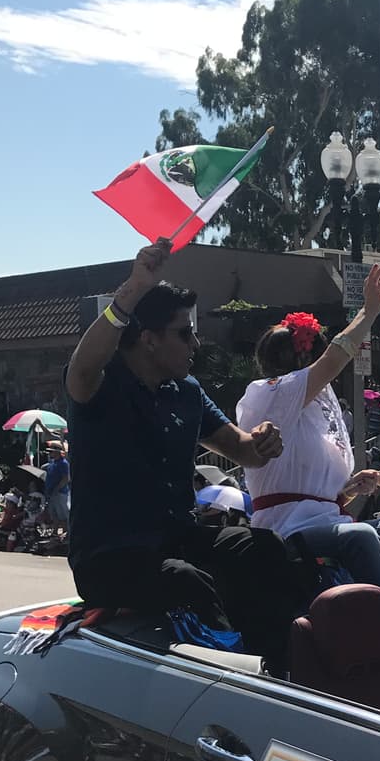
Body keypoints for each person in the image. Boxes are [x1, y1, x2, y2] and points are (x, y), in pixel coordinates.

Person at [64, 237, 303, 662]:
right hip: (109, 555)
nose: (195, 345)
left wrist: (265, 440)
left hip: (174, 538)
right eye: (184, 333)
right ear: (149, 339)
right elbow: (82, 365)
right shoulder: (101, 383)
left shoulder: (187, 392)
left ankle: (288, 665)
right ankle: (236, 674)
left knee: (263, 548)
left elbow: (243, 450)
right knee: (184, 580)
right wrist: (134, 287)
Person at [236, 267, 380, 670]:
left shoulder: (312, 408)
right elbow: (335, 358)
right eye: (310, 356)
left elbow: (321, 494)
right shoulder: (269, 395)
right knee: (363, 536)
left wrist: (351, 487)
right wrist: (368, 313)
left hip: (328, 521)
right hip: (287, 529)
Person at [43, 440, 71, 528]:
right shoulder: (53, 463)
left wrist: (57, 488)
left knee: (63, 515)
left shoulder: (63, 463)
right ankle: (56, 533)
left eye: (51, 451)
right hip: (51, 492)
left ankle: (67, 534)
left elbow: (66, 478)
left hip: (60, 493)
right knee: (54, 514)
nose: (50, 453)